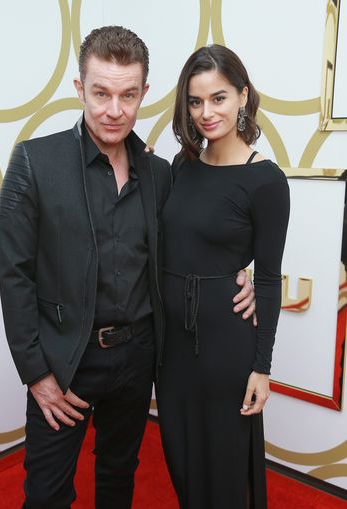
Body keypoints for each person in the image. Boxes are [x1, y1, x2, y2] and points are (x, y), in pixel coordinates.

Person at [0, 27, 255, 509]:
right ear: (80, 89)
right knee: (47, 493)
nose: (114, 110)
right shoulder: (34, 161)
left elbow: (193, 244)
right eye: (101, 93)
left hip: (138, 357)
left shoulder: (160, 172)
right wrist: (36, 375)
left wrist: (244, 276)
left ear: (143, 94)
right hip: (63, 363)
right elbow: (14, 275)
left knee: (118, 478)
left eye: (128, 95)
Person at [156, 44, 290, 509]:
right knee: (179, 454)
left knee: (226, 462)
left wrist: (263, 367)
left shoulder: (266, 180)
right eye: (195, 101)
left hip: (226, 347)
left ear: (242, 97)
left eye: (218, 98)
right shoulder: (181, 166)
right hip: (171, 346)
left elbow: (269, 278)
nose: (206, 112)